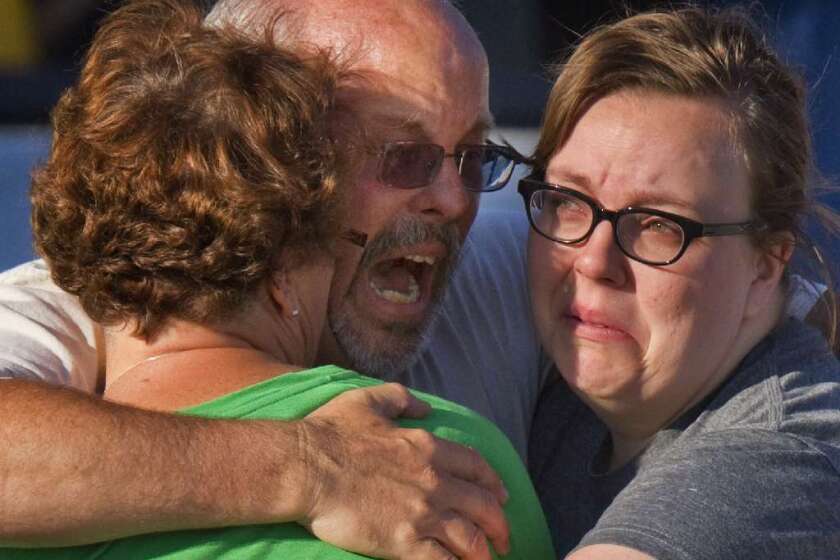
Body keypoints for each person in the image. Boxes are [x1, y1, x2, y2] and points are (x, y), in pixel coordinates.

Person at [2, 1, 553, 559]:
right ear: (274, 191)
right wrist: (317, 467)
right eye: (400, 155)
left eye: (475, 157)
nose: (454, 200)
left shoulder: (529, 270)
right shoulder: (455, 467)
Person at [524, 6, 840, 559]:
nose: (594, 262)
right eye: (569, 202)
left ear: (766, 264)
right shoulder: (595, 383)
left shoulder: (779, 462)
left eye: (658, 225)